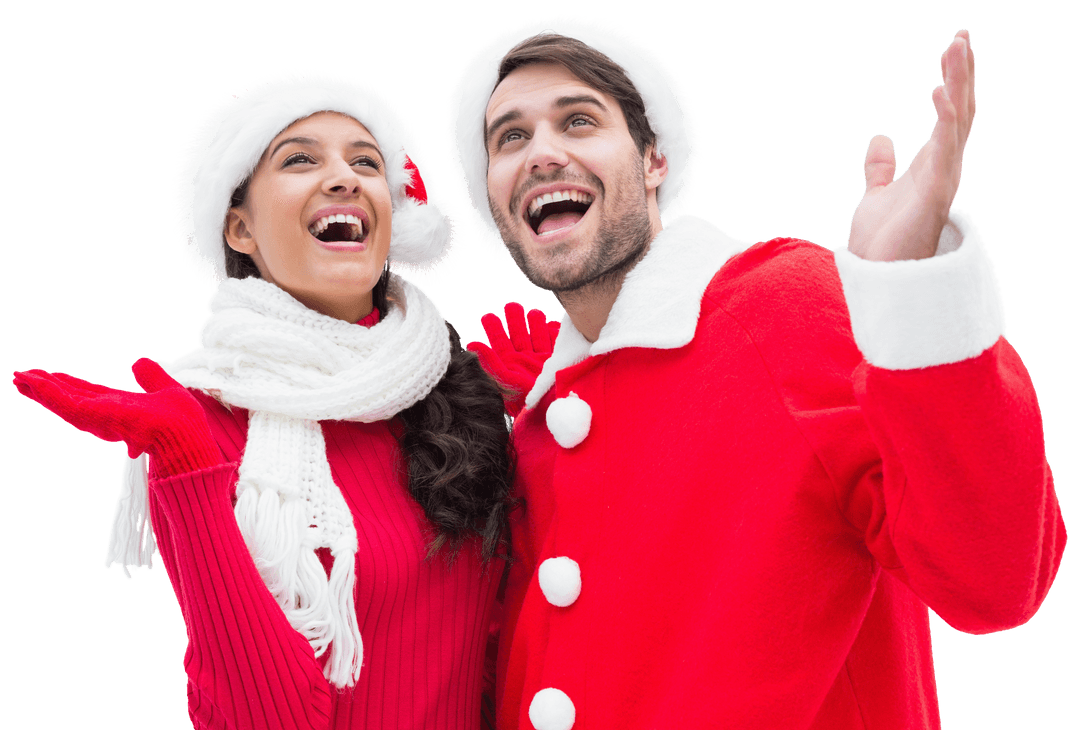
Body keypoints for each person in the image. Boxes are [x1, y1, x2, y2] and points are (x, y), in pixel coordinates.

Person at [446, 17, 1068, 730]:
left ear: (655, 162)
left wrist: (910, 295)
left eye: (579, 121)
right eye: (510, 138)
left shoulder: (785, 307)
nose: (541, 153)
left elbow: (994, 582)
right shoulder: (531, 424)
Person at [13, 70, 513, 730]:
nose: (344, 177)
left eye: (366, 162)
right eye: (300, 158)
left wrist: (550, 412)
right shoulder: (208, 421)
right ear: (239, 229)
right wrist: (186, 469)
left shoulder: (455, 394)